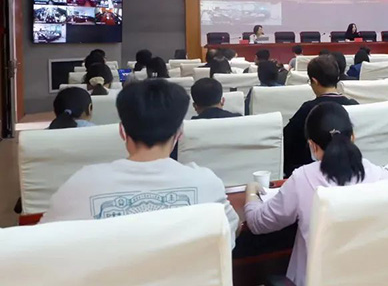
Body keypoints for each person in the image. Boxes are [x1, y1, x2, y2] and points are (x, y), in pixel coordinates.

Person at [41, 80, 240, 246]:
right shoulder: (206, 182)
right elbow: (230, 233)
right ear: (180, 132)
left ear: (122, 131)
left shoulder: (81, 184)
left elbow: (42, 244)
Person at [245, 102, 388, 286]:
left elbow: (258, 223)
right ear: (353, 137)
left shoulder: (302, 179)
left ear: (312, 145)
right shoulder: (381, 176)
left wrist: (251, 192)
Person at [283, 55, 359, 177]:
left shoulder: (308, 109)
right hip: (351, 170)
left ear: (315, 81)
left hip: (314, 174)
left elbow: (287, 139)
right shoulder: (354, 105)